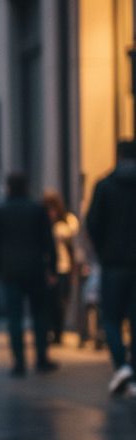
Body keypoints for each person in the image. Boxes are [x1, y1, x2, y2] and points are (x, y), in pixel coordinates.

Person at [0, 172, 58, 376]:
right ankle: (41, 357)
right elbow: (48, 241)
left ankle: (19, 361)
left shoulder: (1, 212)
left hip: (10, 270)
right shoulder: (37, 210)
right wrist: (51, 268)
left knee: (15, 318)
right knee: (39, 315)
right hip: (35, 268)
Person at [86, 140, 136, 398]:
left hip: (114, 263)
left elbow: (92, 223)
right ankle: (132, 370)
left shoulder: (105, 186)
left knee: (111, 319)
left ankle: (122, 367)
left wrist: (103, 250)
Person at [43, 190, 79, 345]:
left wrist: (73, 268)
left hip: (63, 267)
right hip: (48, 268)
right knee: (49, 301)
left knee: (61, 301)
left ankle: (58, 331)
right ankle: (51, 330)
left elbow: (71, 248)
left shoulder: (66, 225)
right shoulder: (43, 224)